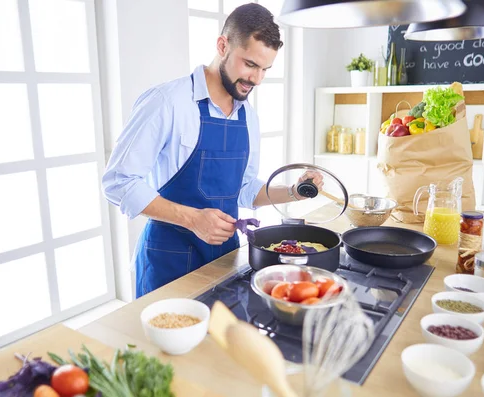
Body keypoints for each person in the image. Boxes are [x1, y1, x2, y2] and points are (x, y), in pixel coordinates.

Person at [102, 3, 322, 298]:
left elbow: (242, 190)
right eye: (250, 64)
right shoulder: (167, 102)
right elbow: (118, 182)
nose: (256, 79)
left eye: (265, 69)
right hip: (168, 260)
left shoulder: (247, 115)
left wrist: (295, 190)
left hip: (223, 260)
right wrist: (193, 219)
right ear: (222, 45)